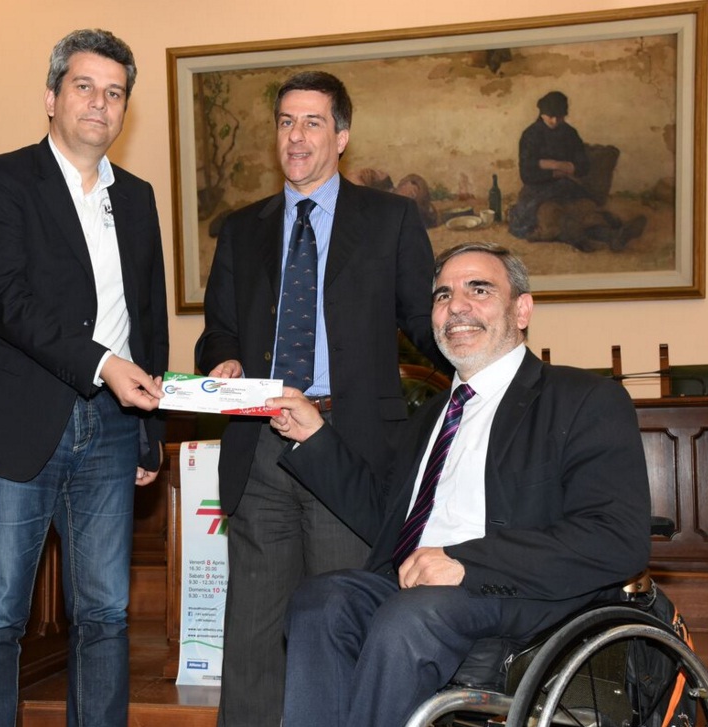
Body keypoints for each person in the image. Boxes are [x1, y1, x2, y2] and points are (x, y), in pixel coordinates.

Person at [268, 243, 652, 726]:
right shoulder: (427, 417)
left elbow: (616, 539)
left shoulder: (584, 400)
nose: (457, 307)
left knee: (409, 616)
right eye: (443, 295)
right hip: (412, 589)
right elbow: (385, 519)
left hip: (518, 592)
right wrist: (313, 436)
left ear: (522, 310)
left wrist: (465, 562)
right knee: (320, 600)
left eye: (480, 290)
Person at [0, 29, 168, 727]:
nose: (100, 103)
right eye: (84, 86)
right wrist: (102, 363)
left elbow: (148, 317)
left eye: (115, 93)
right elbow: (3, 295)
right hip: (16, 419)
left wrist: (150, 432)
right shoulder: (0, 178)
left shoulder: (138, 197)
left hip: (114, 428)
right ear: (51, 96)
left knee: (106, 613)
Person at [195, 70, 445, 727]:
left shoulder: (389, 221)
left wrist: (485, 367)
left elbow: (426, 323)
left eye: (312, 122)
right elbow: (218, 327)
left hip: (347, 446)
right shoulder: (242, 229)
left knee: (337, 624)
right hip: (259, 447)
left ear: (341, 136)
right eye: (286, 122)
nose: (296, 136)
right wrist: (221, 357)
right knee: (253, 634)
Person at [508, 91, 646, 252]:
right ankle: (584, 238)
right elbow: (527, 174)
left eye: (559, 117)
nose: (554, 121)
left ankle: (613, 237)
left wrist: (560, 165)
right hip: (539, 192)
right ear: (542, 113)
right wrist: (556, 170)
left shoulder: (570, 133)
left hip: (567, 188)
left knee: (586, 211)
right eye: (550, 116)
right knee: (553, 216)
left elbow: (583, 166)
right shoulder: (530, 135)